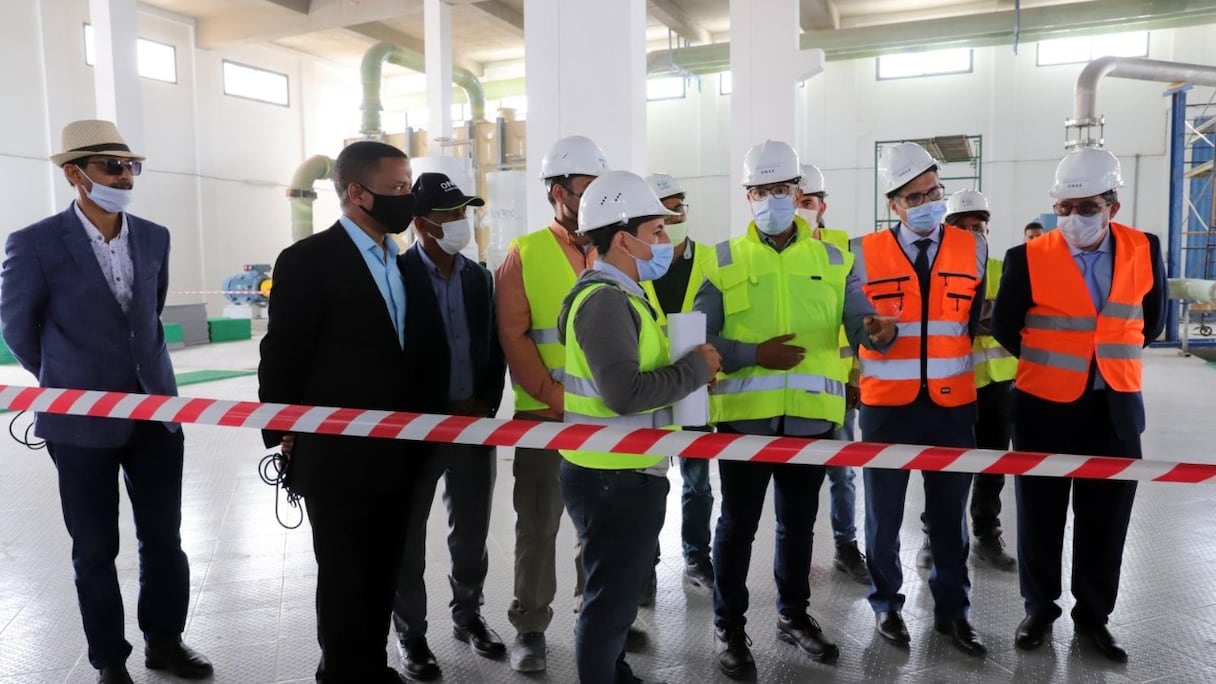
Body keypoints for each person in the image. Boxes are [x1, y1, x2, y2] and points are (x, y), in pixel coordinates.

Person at [0, 120, 212, 684]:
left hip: (156, 414)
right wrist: (64, 377)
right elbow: (17, 326)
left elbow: (150, 315)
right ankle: (109, 661)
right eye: (111, 167)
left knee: (164, 538)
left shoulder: (155, 235)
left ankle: (165, 642)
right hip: (79, 423)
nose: (124, 176)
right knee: (95, 547)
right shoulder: (35, 243)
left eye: (130, 167)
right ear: (75, 174)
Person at [695, 140, 896, 679]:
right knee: (736, 526)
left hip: (811, 422)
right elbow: (701, 340)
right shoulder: (721, 259)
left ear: (797, 193)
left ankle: (792, 616)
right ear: (748, 196)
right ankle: (729, 627)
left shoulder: (836, 259)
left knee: (798, 526)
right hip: (743, 421)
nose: (772, 200)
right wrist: (751, 355)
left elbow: (862, 324)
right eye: (761, 191)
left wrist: (879, 331)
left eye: (781, 190)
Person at [992, 146, 1166, 663]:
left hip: (1114, 406)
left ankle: (1094, 618)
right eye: (1064, 208)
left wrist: (1104, 360)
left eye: (1085, 207)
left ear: (1112, 203)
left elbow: (1151, 320)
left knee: (1106, 517)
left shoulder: (1143, 247)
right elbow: (1005, 326)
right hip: (1045, 407)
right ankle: (1039, 611)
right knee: (1040, 516)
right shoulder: (1028, 256)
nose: (1072, 218)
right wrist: (1056, 362)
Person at [258, 140, 419, 683]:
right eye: (398, 188)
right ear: (357, 192)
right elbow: (282, 355)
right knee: (346, 573)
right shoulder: (307, 262)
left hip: (400, 451)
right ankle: (346, 672)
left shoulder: (402, 262)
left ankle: (369, 666)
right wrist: (285, 434)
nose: (408, 198)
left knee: (382, 570)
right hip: (337, 454)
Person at [557, 170, 721, 684]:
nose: (664, 242)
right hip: (613, 476)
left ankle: (613, 669)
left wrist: (687, 379)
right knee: (608, 600)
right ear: (623, 238)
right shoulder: (606, 299)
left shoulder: (625, 293)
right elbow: (623, 392)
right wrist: (697, 369)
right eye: (656, 231)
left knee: (619, 591)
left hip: (621, 469)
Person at [852, 141, 987, 657]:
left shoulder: (973, 247)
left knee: (951, 518)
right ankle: (886, 605)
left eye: (934, 191)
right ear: (894, 205)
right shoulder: (862, 253)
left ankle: (955, 612)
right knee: (882, 517)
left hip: (952, 405)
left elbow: (969, 323)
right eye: (915, 196)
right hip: (887, 406)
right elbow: (855, 328)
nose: (928, 202)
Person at [495, 134, 608, 672]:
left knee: (599, 524)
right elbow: (515, 337)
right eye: (586, 186)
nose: (594, 197)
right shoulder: (527, 252)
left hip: (605, 421)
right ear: (558, 191)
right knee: (538, 527)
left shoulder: (613, 245)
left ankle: (599, 614)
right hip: (544, 418)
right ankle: (531, 627)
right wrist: (555, 397)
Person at [391, 173, 507, 679]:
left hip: (475, 424)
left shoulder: (479, 277)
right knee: (407, 537)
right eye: (449, 216)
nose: (462, 223)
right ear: (420, 224)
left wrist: (485, 404)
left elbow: (494, 348)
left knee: (472, 531)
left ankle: (468, 615)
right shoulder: (396, 277)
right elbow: (392, 356)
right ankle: (411, 635)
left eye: (465, 213)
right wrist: (431, 411)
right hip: (418, 431)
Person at [914, 190, 1018, 573]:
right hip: (954, 385)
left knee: (993, 465)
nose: (976, 234)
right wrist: (983, 317)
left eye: (981, 227)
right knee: (945, 467)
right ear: (948, 230)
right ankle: (934, 533)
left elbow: (1008, 320)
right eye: (966, 227)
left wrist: (979, 318)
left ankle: (986, 534)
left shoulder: (1001, 269)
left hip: (1000, 383)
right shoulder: (935, 271)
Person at [640, 172, 717, 593]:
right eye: (662, 212)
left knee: (697, 482)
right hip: (650, 387)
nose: (673, 216)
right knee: (649, 479)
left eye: (678, 207)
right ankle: (644, 563)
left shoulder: (711, 260)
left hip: (697, 388)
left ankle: (696, 557)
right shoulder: (636, 264)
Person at [796, 163, 871, 586]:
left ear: (822, 206)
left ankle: (845, 545)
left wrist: (857, 377)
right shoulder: (779, 253)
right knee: (798, 481)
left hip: (840, 386)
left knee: (843, 471)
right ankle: (799, 551)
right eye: (797, 202)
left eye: (809, 203)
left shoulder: (843, 248)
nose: (802, 210)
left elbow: (858, 321)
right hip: (795, 387)